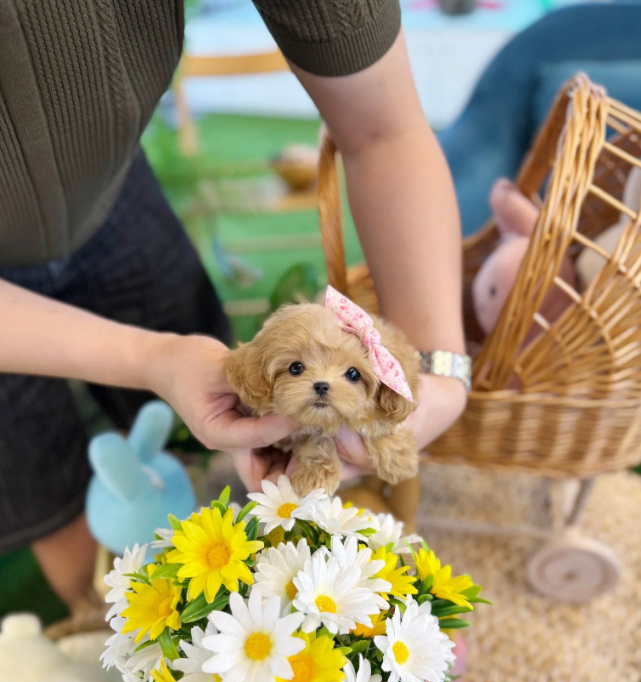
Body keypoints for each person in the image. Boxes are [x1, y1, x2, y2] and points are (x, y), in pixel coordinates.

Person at [0, 0, 466, 607]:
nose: (321, 383)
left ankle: (175, 537)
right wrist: (151, 357)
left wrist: (443, 373)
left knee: (188, 421)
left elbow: (385, 128)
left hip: (110, 189)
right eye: (297, 368)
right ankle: (96, 609)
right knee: (34, 472)